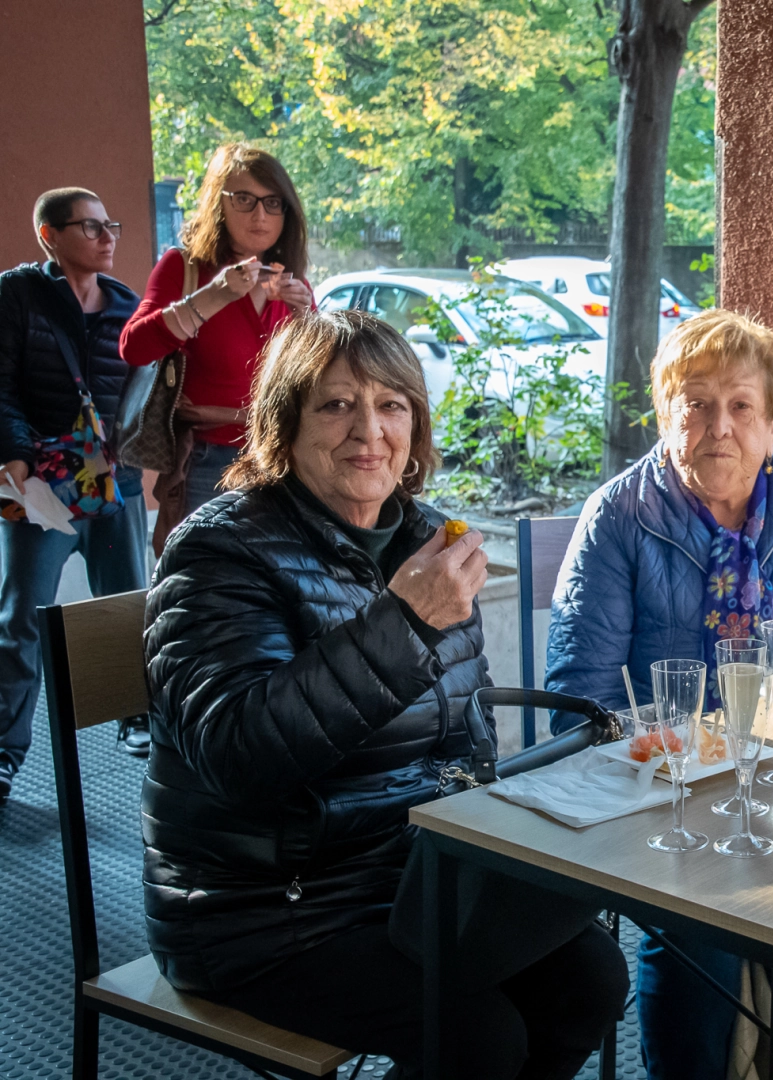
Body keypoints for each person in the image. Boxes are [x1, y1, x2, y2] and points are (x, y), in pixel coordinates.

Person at [142, 310, 627, 1079]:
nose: (368, 430)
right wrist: (404, 623)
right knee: (478, 1035)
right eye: (335, 405)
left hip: (408, 878)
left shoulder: (426, 537)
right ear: (284, 424)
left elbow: (462, 738)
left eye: (391, 404)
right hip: (262, 911)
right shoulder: (218, 551)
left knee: (591, 981)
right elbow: (236, 754)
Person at [547, 307, 773, 1080]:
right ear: (666, 414)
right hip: (666, 790)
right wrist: (665, 760)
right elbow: (582, 695)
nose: (716, 426)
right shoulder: (618, 516)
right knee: (695, 933)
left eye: (739, 406)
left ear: (772, 423)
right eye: (693, 403)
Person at [0, 188, 150, 797]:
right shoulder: (16, 295)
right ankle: (5, 754)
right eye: (89, 227)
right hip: (40, 484)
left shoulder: (126, 308)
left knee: (126, 610)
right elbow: (1, 385)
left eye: (108, 225)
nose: (106, 236)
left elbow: (142, 400)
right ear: (49, 235)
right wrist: (12, 455)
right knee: (22, 619)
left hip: (118, 488)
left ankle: (136, 721)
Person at [120, 142, 314, 553]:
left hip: (281, 458)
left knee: (276, 580)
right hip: (208, 461)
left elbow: (315, 379)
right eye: (244, 199)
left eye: (272, 202)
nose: (260, 215)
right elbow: (133, 348)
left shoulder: (291, 283)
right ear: (218, 203)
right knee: (205, 577)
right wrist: (214, 296)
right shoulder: (185, 267)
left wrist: (307, 320)